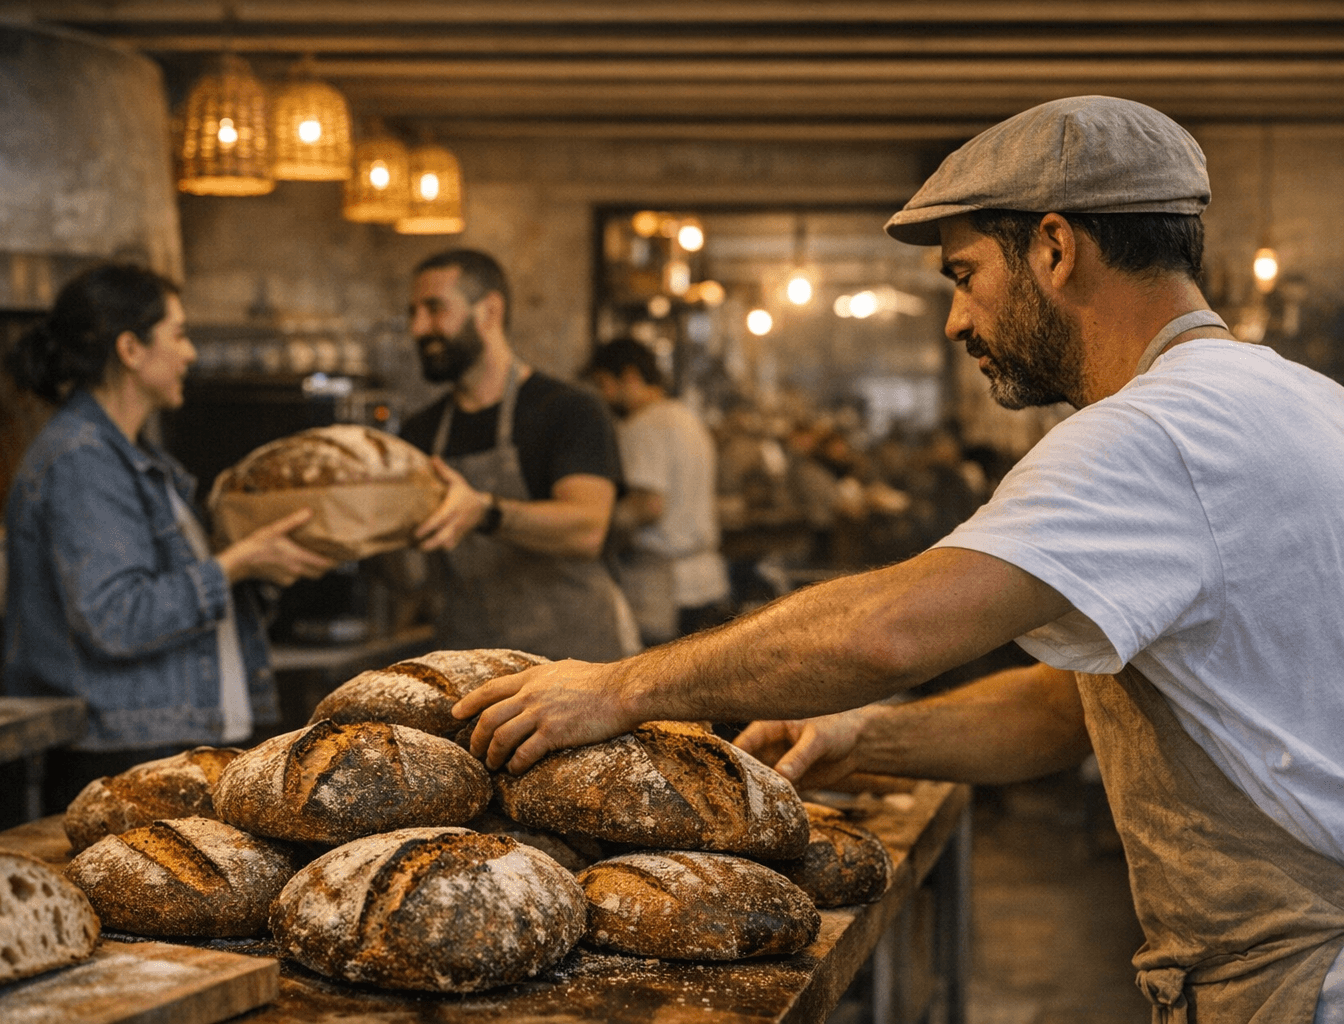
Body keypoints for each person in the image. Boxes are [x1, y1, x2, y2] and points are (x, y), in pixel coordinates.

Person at [456, 97, 1344, 1023]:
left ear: (1054, 247)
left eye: (966, 275)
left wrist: (619, 688)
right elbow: (1083, 709)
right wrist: (866, 738)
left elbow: (887, 632)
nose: (957, 322)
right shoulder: (1301, 401)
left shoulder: (1153, 431)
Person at [3, 263, 332, 811]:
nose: (191, 354)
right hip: (124, 754)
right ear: (130, 349)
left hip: (165, 744)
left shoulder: (139, 458)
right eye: (179, 334)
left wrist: (262, 570)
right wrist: (236, 566)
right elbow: (115, 617)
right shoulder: (82, 460)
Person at [398, 249, 640, 662]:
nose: (419, 328)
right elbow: (411, 576)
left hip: (576, 664)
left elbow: (587, 530)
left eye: (435, 309)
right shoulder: (419, 431)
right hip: (467, 662)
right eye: (414, 313)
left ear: (489, 311)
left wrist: (484, 512)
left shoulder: (569, 409)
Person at [587, 338, 732, 645]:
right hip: (706, 579)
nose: (602, 396)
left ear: (629, 377)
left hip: (664, 586)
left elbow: (648, 506)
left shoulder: (644, 425)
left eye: (603, 384)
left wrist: (594, 520)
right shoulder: (687, 418)